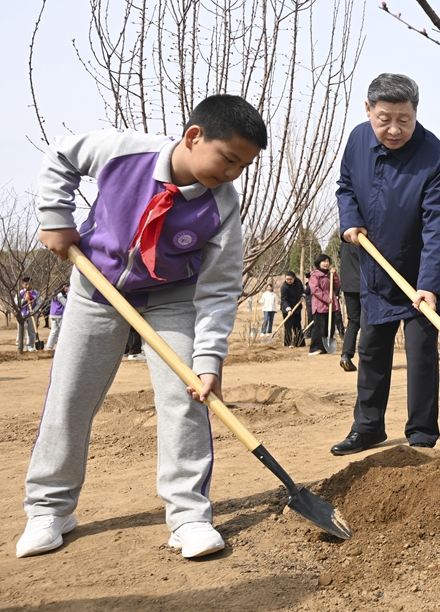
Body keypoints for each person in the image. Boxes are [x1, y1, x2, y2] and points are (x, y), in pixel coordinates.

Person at [16, 94, 267, 560]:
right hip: (96, 289)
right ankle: (49, 509)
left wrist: (208, 359)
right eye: (228, 158)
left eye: (243, 167)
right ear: (194, 137)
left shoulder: (223, 205)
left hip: (172, 300)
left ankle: (188, 516)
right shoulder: (124, 151)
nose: (233, 173)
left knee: (186, 397)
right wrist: (55, 218)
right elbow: (62, 155)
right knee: (71, 396)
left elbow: (219, 287)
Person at [330, 73, 440, 455]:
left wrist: (430, 284)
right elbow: (346, 186)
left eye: (404, 120)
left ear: (415, 113)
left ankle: (421, 433)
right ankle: (368, 427)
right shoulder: (357, 140)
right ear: (368, 110)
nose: (394, 129)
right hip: (376, 267)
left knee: (421, 354)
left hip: (420, 275)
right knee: (371, 348)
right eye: (384, 119)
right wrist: (349, 219)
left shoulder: (436, 158)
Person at [308, 254, 340, 356]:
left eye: (327, 261)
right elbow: (315, 290)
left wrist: (335, 275)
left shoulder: (330, 274)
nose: (326, 264)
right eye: (324, 261)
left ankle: (325, 347)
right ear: (319, 263)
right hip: (320, 304)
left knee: (329, 327)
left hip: (330, 305)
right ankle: (316, 348)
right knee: (319, 327)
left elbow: (336, 286)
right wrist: (326, 299)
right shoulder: (315, 275)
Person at [339, 240, 361, 371]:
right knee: (369, 322)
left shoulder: (344, 242)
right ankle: (368, 357)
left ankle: (346, 355)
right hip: (363, 284)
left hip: (348, 286)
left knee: (353, 321)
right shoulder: (361, 238)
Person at [280, 271, 305, 347]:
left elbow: (302, 290)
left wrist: (302, 296)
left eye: (290, 279)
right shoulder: (284, 287)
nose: (289, 281)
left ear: (294, 278)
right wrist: (288, 309)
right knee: (288, 327)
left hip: (297, 307)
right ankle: (288, 343)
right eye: (287, 279)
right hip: (287, 309)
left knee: (297, 326)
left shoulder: (298, 282)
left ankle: (299, 343)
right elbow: (284, 300)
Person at [18, 278, 42, 351]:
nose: (27, 286)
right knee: (22, 331)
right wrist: (24, 299)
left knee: (32, 331)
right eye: (25, 284)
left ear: (32, 284)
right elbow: (17, 303)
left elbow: (39, 303)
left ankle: (30, 345)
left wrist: (34, 311)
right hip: (23, 315)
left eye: (29, 284)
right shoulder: (20, 293)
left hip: (33, 314)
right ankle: (20, 346)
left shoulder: (36, 293)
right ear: (23, 285)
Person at [45, 282, 69, 350]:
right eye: (66, 287)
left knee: (54, 331)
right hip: (59, 314)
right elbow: (66, 304)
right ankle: (62, 347)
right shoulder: (60, 295)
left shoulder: (55, 294)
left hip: (53, 315)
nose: (67, 288)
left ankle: (49, 347)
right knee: (62, 331)